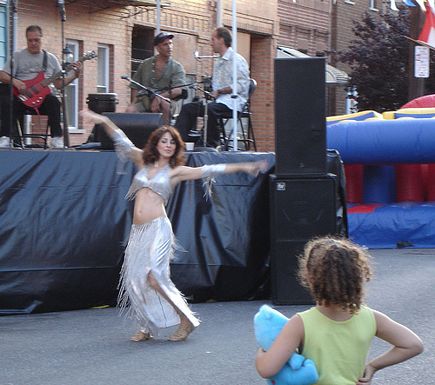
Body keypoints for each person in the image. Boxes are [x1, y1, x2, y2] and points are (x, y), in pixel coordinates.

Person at [80, 109, 267, 342]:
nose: (168, 145)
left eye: (172, 142)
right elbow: (121, 139)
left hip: (158, 229)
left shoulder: (176, 172)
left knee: (154, 276)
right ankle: (147, 326)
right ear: (156, 143)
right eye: (164, 141)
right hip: (138, 231)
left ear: (176, 147)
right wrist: (103, 120)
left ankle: (187, 320)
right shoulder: (142, 161)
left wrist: (244, 167)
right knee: (134, 279)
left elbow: (209, 170)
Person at [255, 237, 424, 384]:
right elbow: (413, 345)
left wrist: (264, 350)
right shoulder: (371, 318)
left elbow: (267, 369)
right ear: (357, 276)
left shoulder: (301, 323)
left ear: (309, 277)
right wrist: (373, 366)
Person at [0, 25, 80, 148]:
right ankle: (5, 137)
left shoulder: (51, 59)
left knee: (54, 101)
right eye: (30, 40)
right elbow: (2, 74)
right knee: (5, 96)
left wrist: (74, 75)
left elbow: (59, 84)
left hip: (41, 99)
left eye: (36, 40)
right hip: (21, 98)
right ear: (26, 40)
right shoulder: (17, 56)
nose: (33, 43)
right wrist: (15, 81)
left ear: (41, 39)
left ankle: (56, 138)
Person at [175, 27, 250, 147]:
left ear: (221, 40)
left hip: (233, 102)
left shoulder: (237, 60)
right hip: (218, 102)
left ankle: (211, 143)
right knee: (188, 108)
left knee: (210, 110)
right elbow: (216, 86)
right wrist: (209, 89)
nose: (211, 43)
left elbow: (241, 85)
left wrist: (220, 91)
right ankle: (179, 140)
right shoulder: (219, 61)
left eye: (213, 39)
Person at [126, 32, 186, 125]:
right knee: (130, 110)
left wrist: (159, 98)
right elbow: (135, 85)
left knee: (164, 105)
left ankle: (165, 134)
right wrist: (134, 102)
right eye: (165, 44)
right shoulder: (145, 64)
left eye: (170, 43)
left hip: (168, 101)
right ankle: (134, 138)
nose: (169, 47)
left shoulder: (177, 67)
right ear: (157, 48)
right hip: (145, 100)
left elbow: (178, 90)